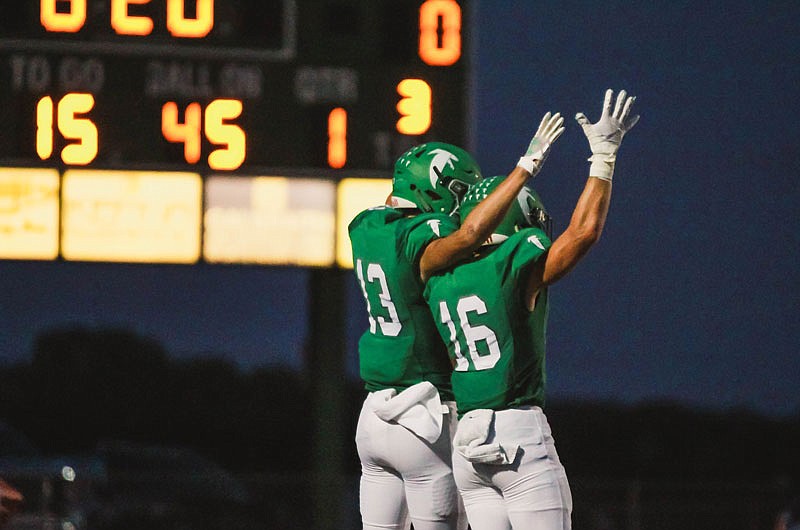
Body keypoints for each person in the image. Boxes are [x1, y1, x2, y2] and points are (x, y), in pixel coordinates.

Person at [422, 89, 639, 530]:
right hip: (517, 437)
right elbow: (583, 234)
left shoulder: (436, 276)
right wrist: (604, 156)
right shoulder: (514, 264)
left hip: (467, 440)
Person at [349, 112, 565, 530]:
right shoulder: (424, 239)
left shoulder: (364, 225)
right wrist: (524, 168)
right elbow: (468, 238)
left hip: (373, 413)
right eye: (458, 192)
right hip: (424, 414)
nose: (460, 205)